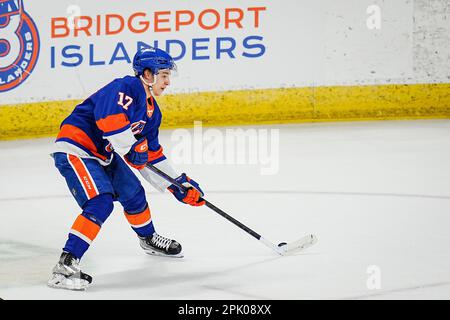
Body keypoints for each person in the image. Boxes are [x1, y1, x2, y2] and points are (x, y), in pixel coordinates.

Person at [47, 46, 205, 291]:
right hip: (76, 148)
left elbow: (150, 156)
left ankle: (148, 239)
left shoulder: (153, 112)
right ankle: (64, 267)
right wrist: (132, 147)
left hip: (104, 153)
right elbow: (109, 120)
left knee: (133, 193)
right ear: (147, 74)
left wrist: (178, 184)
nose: (167, 82)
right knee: (100, 202)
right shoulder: (125, 87)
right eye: (163, 75)